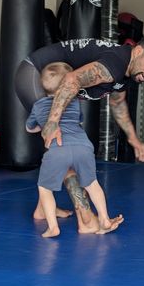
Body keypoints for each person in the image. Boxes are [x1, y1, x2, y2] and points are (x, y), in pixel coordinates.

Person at [16, 33, 144, 232]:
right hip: (35, 74)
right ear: (138, 51)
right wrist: (52, 121)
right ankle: (85, 219)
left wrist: (133, 138)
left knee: (61, 147)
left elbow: (118, 103)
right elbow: (71, 79)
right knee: (65, 146)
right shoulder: (115, 63)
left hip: (53, 83)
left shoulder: (127, 72)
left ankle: (43, 210)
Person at [26, 62, 124, 237]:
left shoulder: (38, 106)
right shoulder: (74, 102)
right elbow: (78, 120)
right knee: (92, 184)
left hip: (58, 149)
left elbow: (30, 128)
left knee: (45, 188)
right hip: (83, 147)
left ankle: (53, 227)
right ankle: (104, 218)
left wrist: (42, 126)